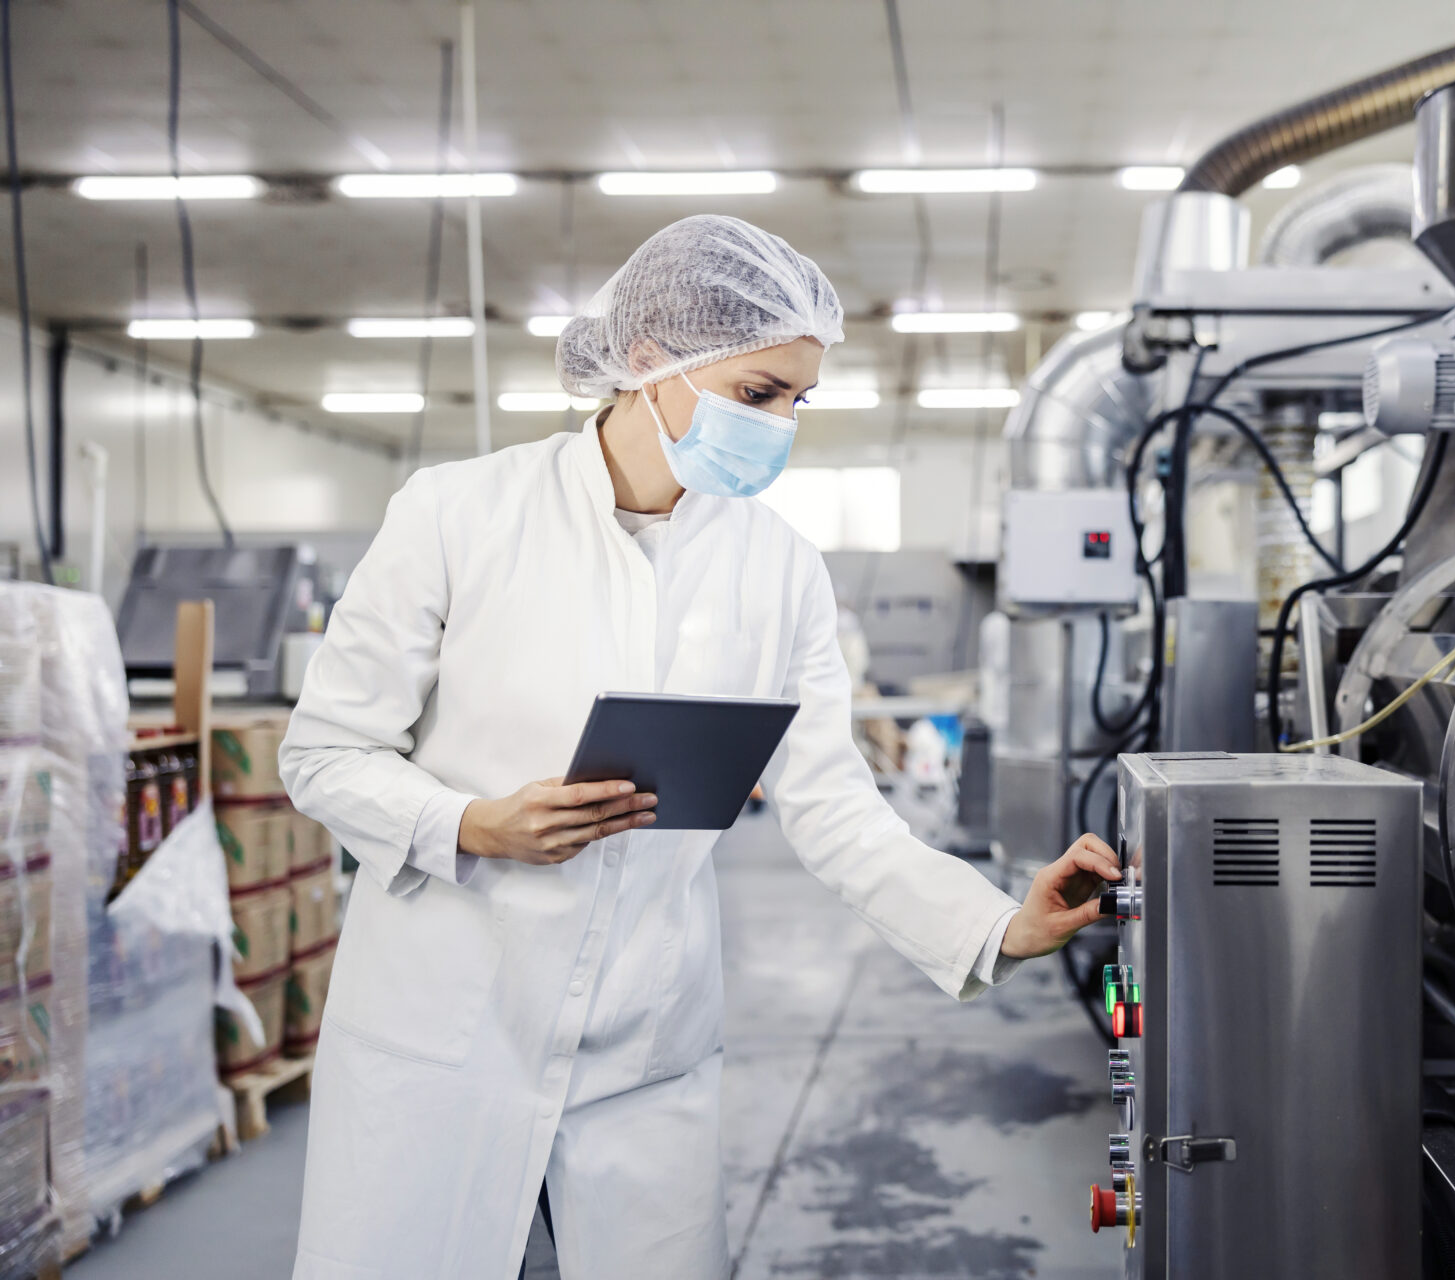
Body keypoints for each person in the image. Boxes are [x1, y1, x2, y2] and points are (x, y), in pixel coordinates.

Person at [280, 214, 1119, 1280]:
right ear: (648, 361)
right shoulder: (459, 515)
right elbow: (324, 753)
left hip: (645, 1044)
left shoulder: (780, 569)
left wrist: (1000, 922)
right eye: (758, 394)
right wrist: (473, 821)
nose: (780, 427)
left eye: (797, 401)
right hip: (446, 1027)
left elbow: (837, 809)